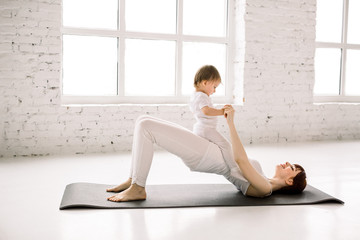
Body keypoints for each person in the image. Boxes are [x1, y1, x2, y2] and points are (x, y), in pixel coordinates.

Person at [107, 106, 307, 202]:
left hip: (205, 156)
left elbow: (239, 160)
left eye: (292, 168)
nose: (287, 163)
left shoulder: (265, 188)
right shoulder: (263, 177)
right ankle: (133, 178)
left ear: (290, 181)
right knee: (143, 120)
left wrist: (231, 123)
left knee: (147, 127)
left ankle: (138, 188)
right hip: (209, 149)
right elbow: (236, 158)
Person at [189, 65, 242, 178]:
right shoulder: (202, 96)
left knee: (212, 149)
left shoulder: (196, 96)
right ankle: (234, 169)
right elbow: (206, 111)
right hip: (206, 129)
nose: (214, 91)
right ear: (205, 83)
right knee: (226, 145)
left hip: (201, 128)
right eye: (214, 87)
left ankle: (221, 163)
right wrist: (222, 111)